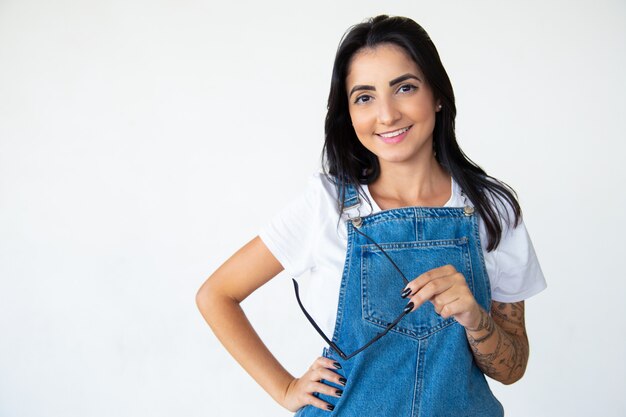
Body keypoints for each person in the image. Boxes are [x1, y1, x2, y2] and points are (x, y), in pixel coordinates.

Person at [196, 14, 546, 416]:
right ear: (348, 113)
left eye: (405, 88)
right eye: (365, 97)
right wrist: (287, 388)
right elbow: (216, 295)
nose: (387, 114)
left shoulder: (493, 211)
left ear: (437, 94)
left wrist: (474, 318)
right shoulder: (325, 206)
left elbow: (513, 367)